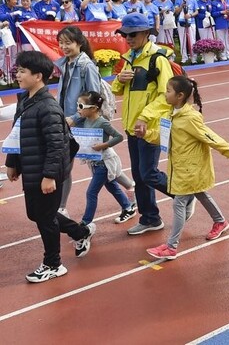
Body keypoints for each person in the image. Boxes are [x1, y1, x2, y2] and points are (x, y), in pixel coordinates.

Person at [4, 51, 96, 283]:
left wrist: (49, 176)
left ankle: (53, 264)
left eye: (22, 71)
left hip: (46, 172)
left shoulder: (48, 107)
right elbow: (17, 135)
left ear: (38, 76)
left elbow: (57, 146)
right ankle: (81, 232)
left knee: (44, 218)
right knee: (36, 213)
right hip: (32, 168)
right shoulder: (25, 100)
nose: (18, 74)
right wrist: (13, 163)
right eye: (18, 70)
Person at [142, 76, 229, 260]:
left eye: (169, 90)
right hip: (179, 166)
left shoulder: (190, 118)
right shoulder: (170, 113)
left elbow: (208, 136)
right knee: (200, 193)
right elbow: (164, 137)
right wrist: (147, 133)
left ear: (180, 96)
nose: (165, 93)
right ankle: (220, 221)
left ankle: (171, 246)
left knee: (178, 203)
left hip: (191, 169)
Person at [111, 13, 175, 235]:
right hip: (132, 126)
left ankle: (183, 193)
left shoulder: (157, 59)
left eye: (133, 34)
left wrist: (145, 117)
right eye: (124, 34)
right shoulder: (128, 57)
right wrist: (119, 81)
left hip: (150, 127)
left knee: (148, 173)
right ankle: (150, 218)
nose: (128, 38)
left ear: (146, 34)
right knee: (139, 176)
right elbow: (118, 91)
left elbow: (167, 95)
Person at [54, 26, 103, 216]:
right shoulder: (66, 63)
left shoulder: (86, 66)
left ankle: (127, 193)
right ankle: (61, 207)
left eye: (68, 42)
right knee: (65, 165)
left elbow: (95, 97)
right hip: (66, 123)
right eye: (61, 42)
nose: (64, 46)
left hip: (83, 124)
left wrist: (75, 117)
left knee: (103, 166)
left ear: (79, 43)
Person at [74, 91, 136, 225]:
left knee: (91, 193)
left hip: (104, 163)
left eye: (80, 106)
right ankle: (128, 207)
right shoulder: (85, 120)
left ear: (94, 108)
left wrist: (104, 144)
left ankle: (85, 223)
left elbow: (119, 136)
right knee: (111, 186)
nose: (78, 109)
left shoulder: (102, 123)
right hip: (95, 162)